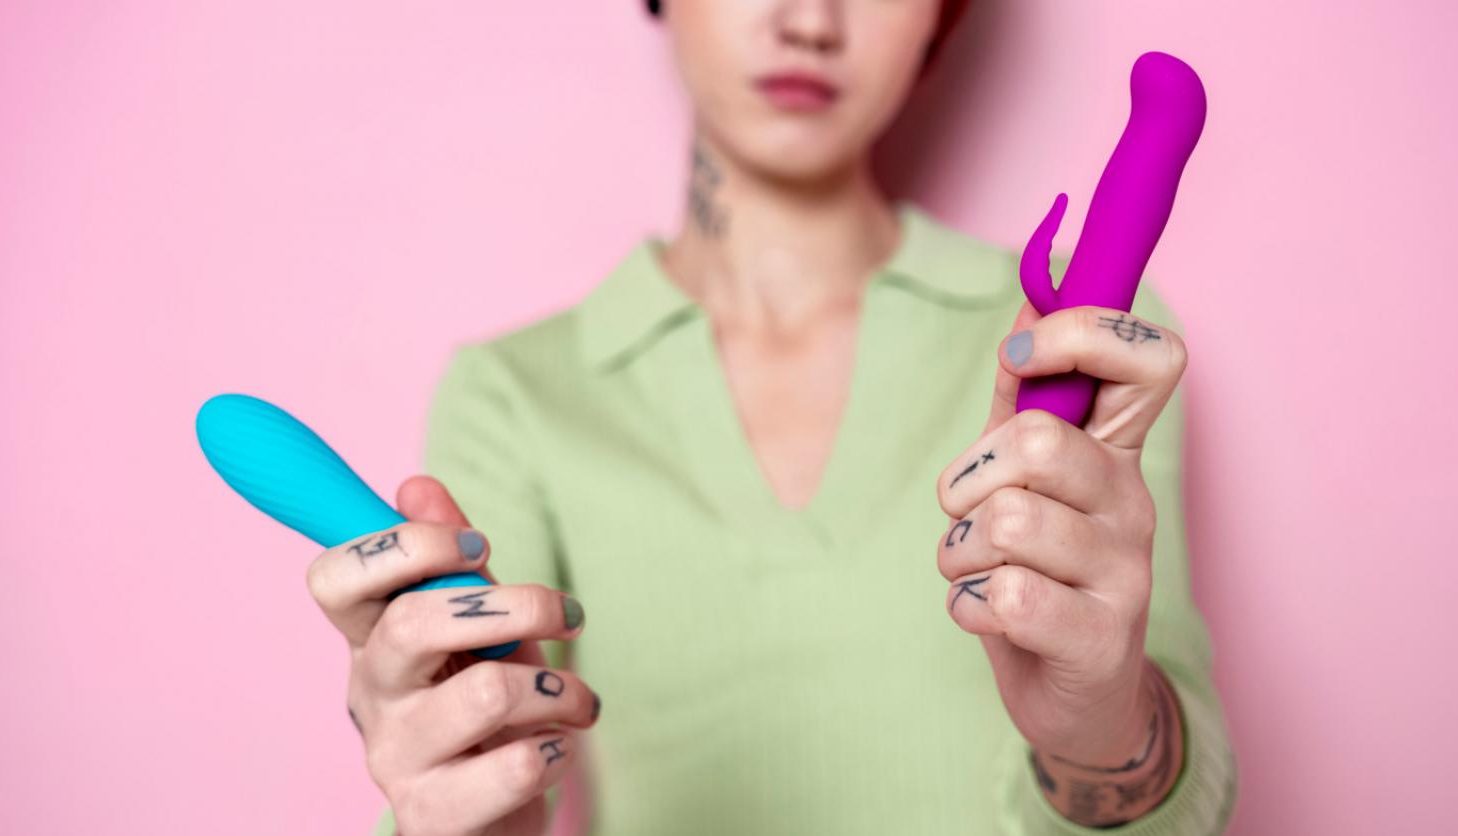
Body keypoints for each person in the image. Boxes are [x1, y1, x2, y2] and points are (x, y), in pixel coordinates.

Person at [305, 1, 1238, 833]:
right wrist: (458, 805)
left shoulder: (1085, 341)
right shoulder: (516, 392)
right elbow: (494, 770)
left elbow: (1181, 797)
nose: (811, 20)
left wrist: (1099, 732)